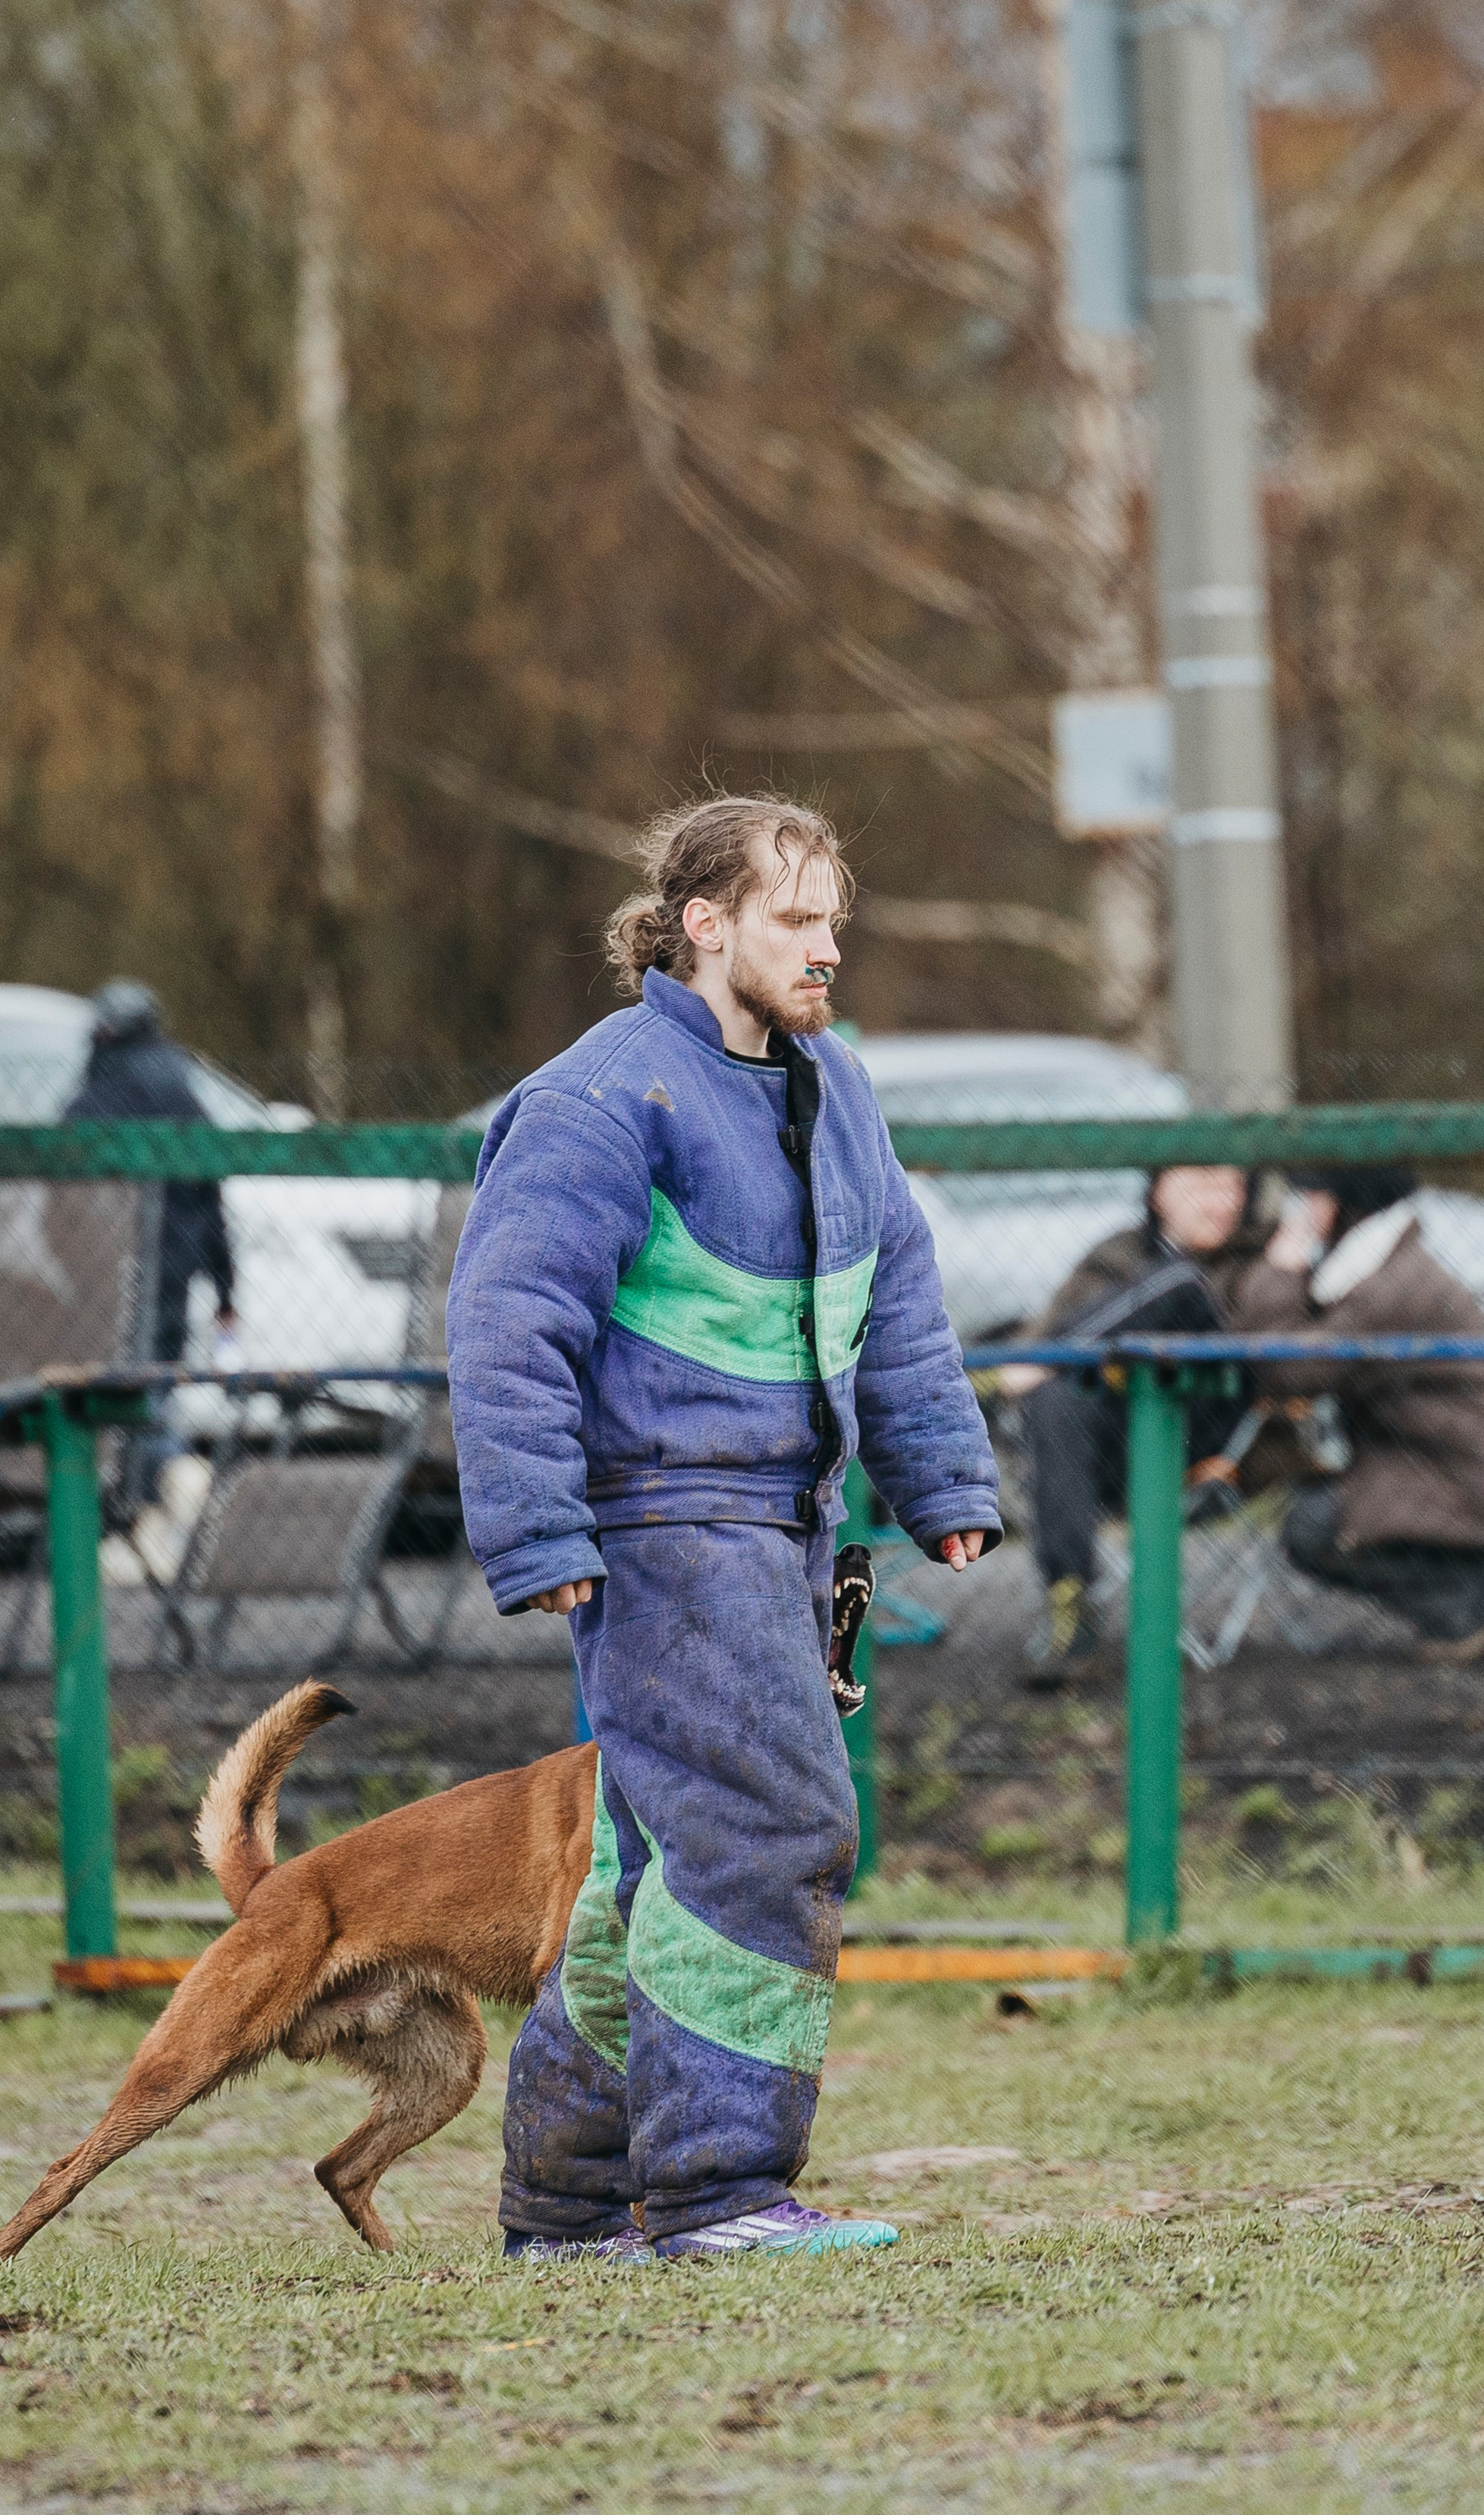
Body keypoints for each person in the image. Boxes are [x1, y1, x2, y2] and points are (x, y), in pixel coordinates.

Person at [447, 793, 999, 2263]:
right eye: (792, 921)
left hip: (787, 1524)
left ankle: (569, 2204)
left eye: (833, 922)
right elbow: (506, 1326)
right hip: (663, 1521)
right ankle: (716, 2192)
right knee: (770, 1831)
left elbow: (894, 1288)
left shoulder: (831, 1088)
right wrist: (537, 1528)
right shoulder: (599, 1096)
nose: (825, 950)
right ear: (702, 924)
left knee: (662, 1864)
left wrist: (937, 1477)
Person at [1007, 1166, 1269, 1690]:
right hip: (1114, 1448)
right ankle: (1071, 1598)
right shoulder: (1116, 1254)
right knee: (1056, 1397)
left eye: (1232, 1186)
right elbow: (1053, 1321)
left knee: (1179, 1283)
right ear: (1157, 1190)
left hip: (1214, 1443)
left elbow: (1273, 1359)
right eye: (1200, 1182)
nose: (1219, 1200)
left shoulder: (1262, 1259)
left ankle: (1031, 1365)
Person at [1231, 1166, 1484, 1661]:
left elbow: (1294, 1370)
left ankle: (1459, 1612)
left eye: (1308, 1195)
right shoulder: (1386, 1263)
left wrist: (1282, 1265)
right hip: (1435, 1458)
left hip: (1458, 1472)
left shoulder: (1389, 1284)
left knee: (1314, 1526)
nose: (1298, 1208)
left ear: (1337, 1202)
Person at [61, 982, 236, 1543]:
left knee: (124, 1394)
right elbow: (212, 1197)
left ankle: (170, 1492)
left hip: (106, 1275)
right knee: (154, 1383)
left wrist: (74, 1262)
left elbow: (63, 1191)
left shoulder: (99, 1087)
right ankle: (162, 1505)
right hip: (174, 1271)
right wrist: (227, 1287)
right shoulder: (182, 1086)